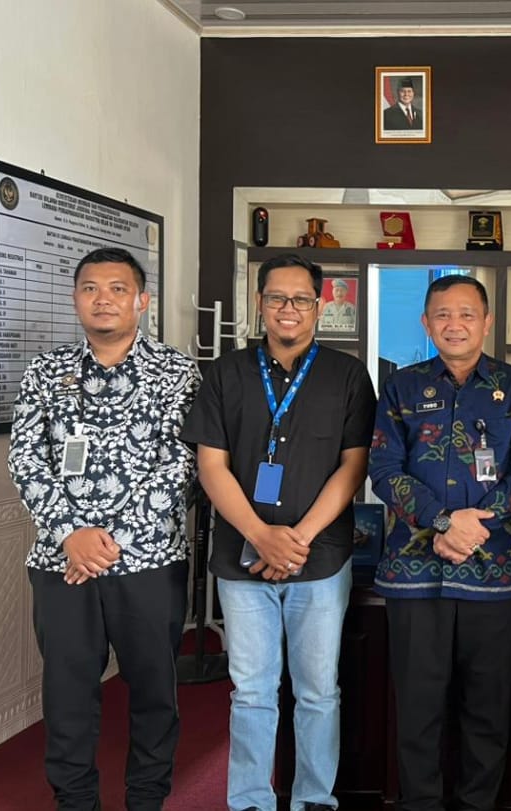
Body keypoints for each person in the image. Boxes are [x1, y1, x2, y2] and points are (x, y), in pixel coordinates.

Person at [181, 253, 377, 811]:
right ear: (259, 303)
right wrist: (261, 535)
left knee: (318, 691)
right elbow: (211, 466)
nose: (288, 309)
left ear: (320, 305)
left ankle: (314, 797)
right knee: (251, 691)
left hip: (322, 558)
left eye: (301, 299)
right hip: (240, 558)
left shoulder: (347, 375)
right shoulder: (225, 373)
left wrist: (298, 539)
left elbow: (353, 467)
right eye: (276, 298)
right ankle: (249, 800)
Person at [8, 246, 200, 811]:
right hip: (62, 562)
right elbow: (25, 457)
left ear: (143, 301)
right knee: (67, 696)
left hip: (149, 560)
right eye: (90, 288)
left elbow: (184, 462)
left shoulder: (177, 372)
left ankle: (146, 799)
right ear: (75, 299)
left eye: (118, 289)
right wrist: (71, 533)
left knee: (154, 693)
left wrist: (110, 541)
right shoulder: (46, 372)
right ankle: (74, 802)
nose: (103, 299)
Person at [370, 275, 511, 811]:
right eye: (443, 314)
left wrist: (470, 529)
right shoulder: (400, 387)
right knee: (417, 708)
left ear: (487, 322)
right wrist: (443, 522)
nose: (455, 324)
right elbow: (383, 468)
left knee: (487, 709)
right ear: (426, 323)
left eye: (467, 314)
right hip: (414, 573)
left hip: (495, 571)